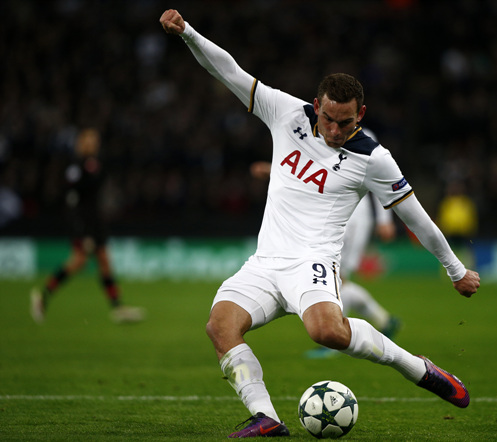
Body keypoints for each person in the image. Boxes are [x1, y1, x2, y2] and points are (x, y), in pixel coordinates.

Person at [160, 9, 480, 438]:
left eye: (345, 122)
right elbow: (229, 71)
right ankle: (266, 418)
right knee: (220, 326)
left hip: (313, 261)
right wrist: (188, 33)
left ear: (360, 113)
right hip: (265, 262)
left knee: (327, 332)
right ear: (316, 106)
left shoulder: (374, 159)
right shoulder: (285, 113)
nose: (334, 129)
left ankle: (419, 368)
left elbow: (416, 217)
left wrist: (455, 270)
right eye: (328, 118)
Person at [250, 130, 401, 361]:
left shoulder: (364, 136)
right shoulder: (317, 131)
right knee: (339, 278)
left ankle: (336, 338)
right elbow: (314, 171)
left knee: (335, 278)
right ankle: (383, 320)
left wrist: (384, 219)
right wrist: (274, 170)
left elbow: (383, 179)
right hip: (331, 216)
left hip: (352, 217)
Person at [30, 128, 146, 325]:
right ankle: (43, 296)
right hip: (83, 222)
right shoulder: (76, 168)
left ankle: (118, 307)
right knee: (78, 261)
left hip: (95, 220)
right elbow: (72, 198)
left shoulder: (94, 164)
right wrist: (82, 229)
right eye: (89, 140)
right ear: (81, 143)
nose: (93, 144)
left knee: (104, 262)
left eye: (95, 140)